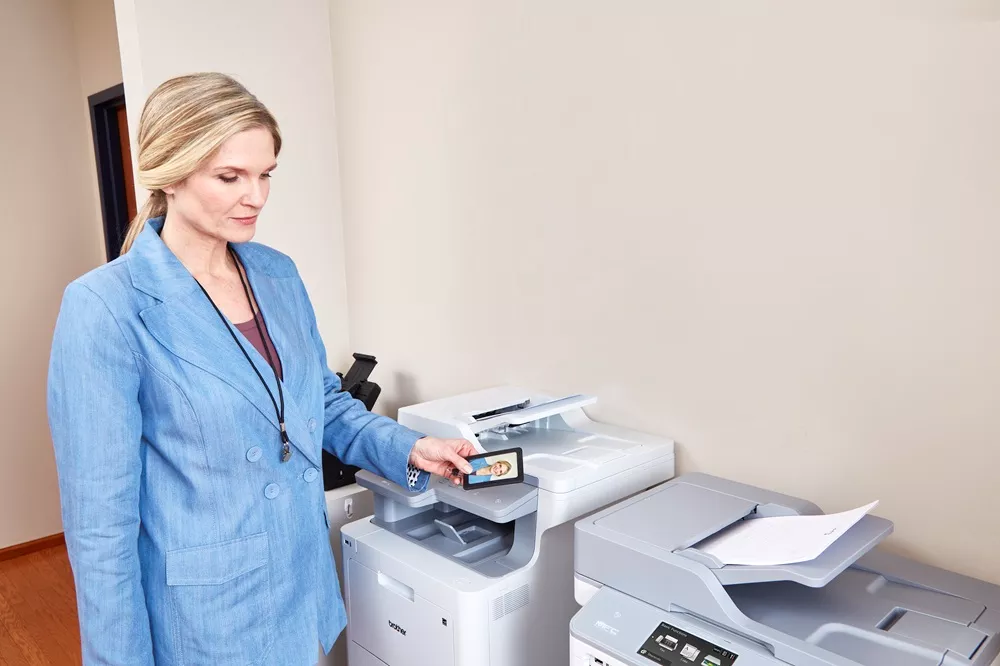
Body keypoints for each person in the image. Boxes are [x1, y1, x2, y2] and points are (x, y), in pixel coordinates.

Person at [46, 72, 476, 666]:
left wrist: (410, 448)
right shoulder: (105, 307)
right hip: (205, 624)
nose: (257, 196)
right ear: (168, 173)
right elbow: (101, 532)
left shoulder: (276, 274)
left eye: (265, 174)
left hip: (298, 589)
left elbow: (316, 403)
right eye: (230, 177)